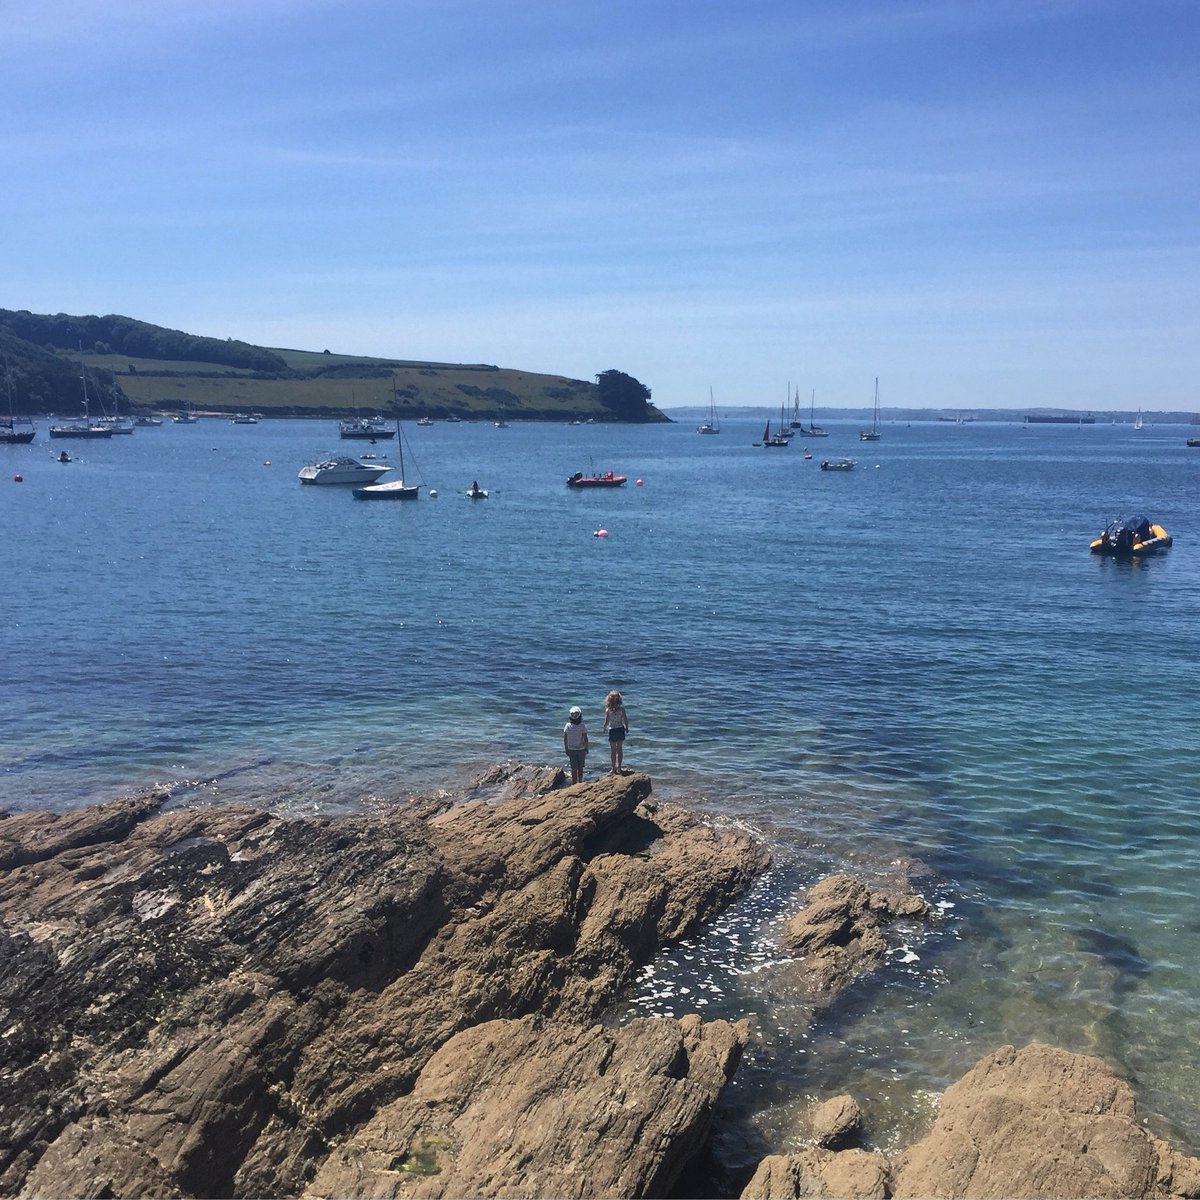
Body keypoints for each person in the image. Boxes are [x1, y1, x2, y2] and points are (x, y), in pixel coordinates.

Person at [602, 689, 629, 774]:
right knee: (619, 749)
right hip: (620, 729)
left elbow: (606, 721)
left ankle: (613, 768)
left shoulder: (608, 710)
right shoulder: (621, 709)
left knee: (613, 750)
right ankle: (619, 767)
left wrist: (604, 728)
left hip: (612, 730)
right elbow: (625, 719)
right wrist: (627, 727)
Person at [563, 705, 588, 784]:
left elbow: (565, 738)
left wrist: (566, 748)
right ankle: (580, 781)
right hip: (581, 749)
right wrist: (586, 748)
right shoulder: (582, 726)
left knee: (573, 768)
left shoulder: (567, 726)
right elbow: (585, 738)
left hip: (571, 749)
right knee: (580, 767)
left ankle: (574, 783)